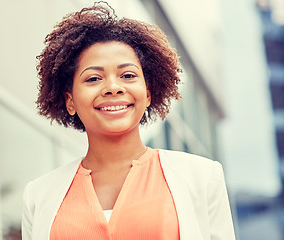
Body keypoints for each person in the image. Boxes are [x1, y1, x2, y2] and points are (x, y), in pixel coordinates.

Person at [22, 2, 235, 240]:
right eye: (93, 78)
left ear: (148, 93)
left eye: (128, 75)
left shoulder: (203, 177)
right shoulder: (38, 196)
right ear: (70, 101)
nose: (113, 87)